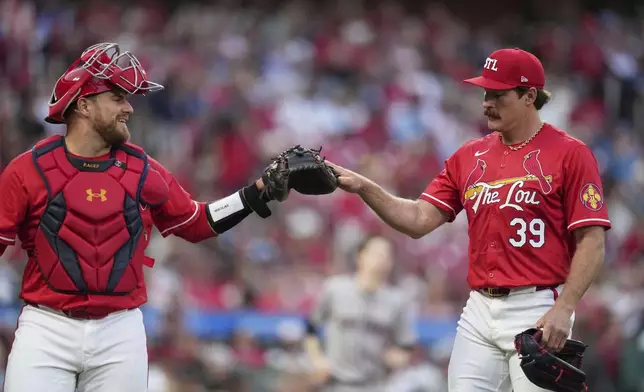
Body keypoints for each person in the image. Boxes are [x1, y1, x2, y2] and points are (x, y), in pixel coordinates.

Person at [0, 42, 284, 392]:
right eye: (118, 97)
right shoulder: (27, 170)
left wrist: (260, 190)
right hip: (46, 326)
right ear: (84, 105)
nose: (129, 108)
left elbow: (197, 222)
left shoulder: (143, 169)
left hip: (120, 332)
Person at [328, 48, 611, 391]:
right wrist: (363, 187)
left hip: (537, 306)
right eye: (485, 93)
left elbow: (592, 239)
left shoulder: (570, 153)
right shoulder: (469, 156)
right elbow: (418, 219)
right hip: (479, 308)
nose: (486, 102)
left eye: (498, 94)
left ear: (529, 96)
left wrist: (565, 307)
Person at [304, 234, 416, 392]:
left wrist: (396, 358)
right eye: (376, 253)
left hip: (375, 385)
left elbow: (406, 346)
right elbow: (311, 328)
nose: (381, 259)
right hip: (335, 383)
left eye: (386, 255)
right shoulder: (335, 289)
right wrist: (317, 360)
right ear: (360, 256)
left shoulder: (397, 301)